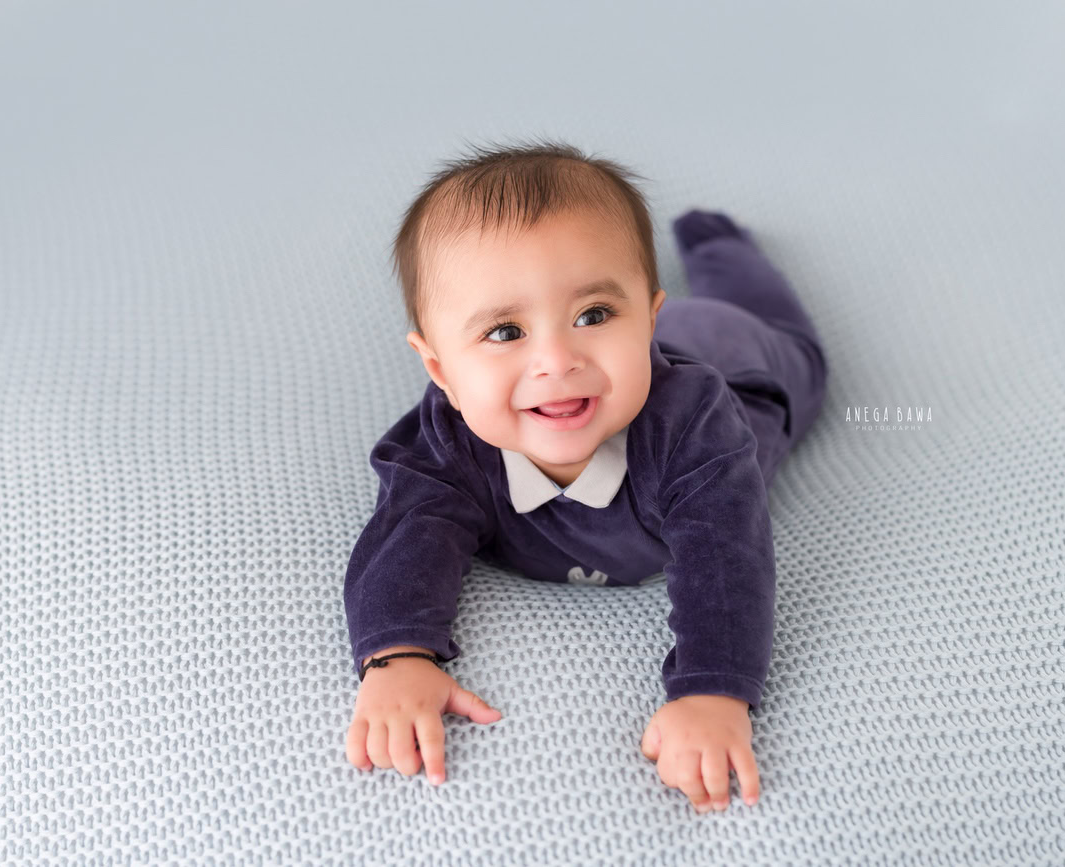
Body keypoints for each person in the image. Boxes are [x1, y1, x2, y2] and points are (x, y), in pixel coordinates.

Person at [343, 138, 828, 814]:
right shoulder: (445, 441)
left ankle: (719, 246)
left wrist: (712, 692)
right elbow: (406, 534)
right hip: (643, 352)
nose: (557, 360)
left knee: (789, 335)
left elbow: (727, 558)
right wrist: (397, 656)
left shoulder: (694, 429)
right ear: (441, 371)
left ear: (646, 319)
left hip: (745, 361)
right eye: (505, 332)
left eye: (592, 315)